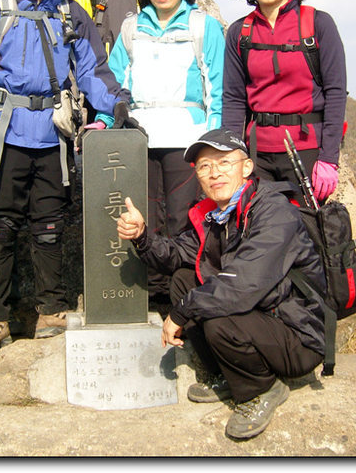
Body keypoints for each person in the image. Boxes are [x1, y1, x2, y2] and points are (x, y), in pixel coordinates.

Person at [0, 0, 132, 357]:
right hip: (3, 135)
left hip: (52, 135)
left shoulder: (72, 14)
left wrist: (118, 105)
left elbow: (92, 70)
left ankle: (51, 309)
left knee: (50, 226)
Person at [117, 129, 325, 440]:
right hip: (260, 317)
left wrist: (182, 312)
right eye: (204, 166)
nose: (214, 173)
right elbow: (178, 255)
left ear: (247, 167)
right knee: (183, 281)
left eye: (224, 162)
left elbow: (243, 284)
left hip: (297, 333)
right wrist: (143, 237)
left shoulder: (273, 211)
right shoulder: (216, 216)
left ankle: (262, 389)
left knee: (216, 316)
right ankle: (228, 373)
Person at [102, 0, 224, 309]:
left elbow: (217, 87)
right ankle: (152, 293)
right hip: (139, 136)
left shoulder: (203, 26)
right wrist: (106, 122)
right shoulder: (131, 27)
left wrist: (214, 142)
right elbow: (114, 83)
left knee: (182, 218)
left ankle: (181, 293)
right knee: (146, 216)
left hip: (187, 136)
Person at [222, 0, 347, 203]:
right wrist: (231, 157)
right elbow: (233, 99)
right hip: (257, 155)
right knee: (261, 225)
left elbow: (336, 93)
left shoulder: (318, 24)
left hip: (307, 151)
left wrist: (329, 159)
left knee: (307, 226)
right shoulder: (240, 32)